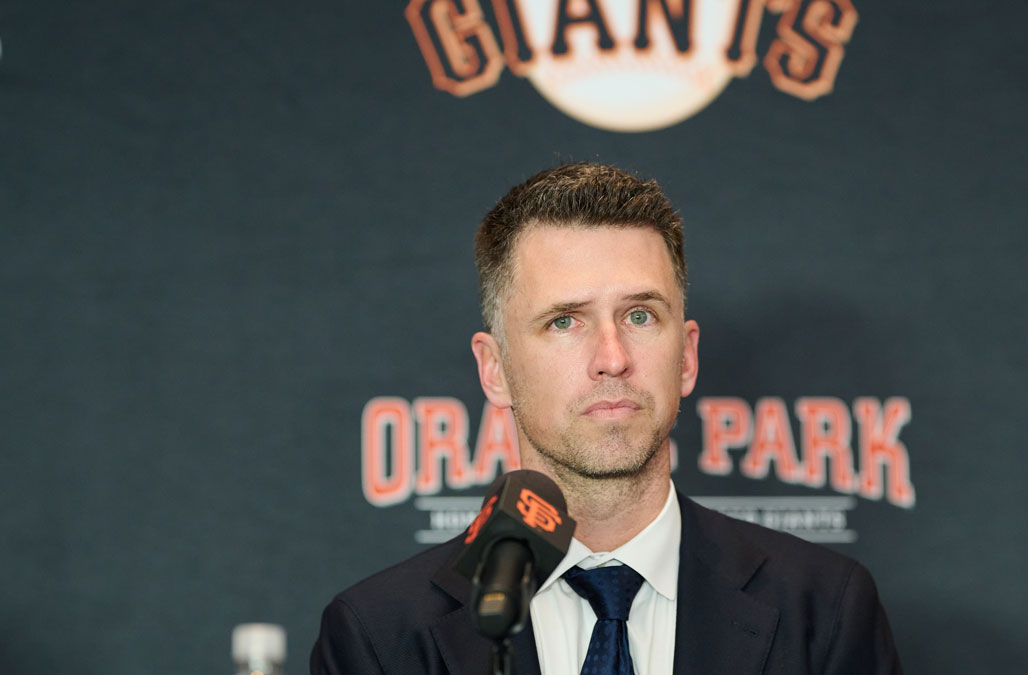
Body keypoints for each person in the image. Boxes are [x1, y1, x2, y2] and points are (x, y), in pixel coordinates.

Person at [311, 163, 903, 675]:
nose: (613, 358)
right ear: (495, 369)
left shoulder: (823, 609)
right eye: (564, 321)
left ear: (688, 357)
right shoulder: (380, 636)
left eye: (641, 316)